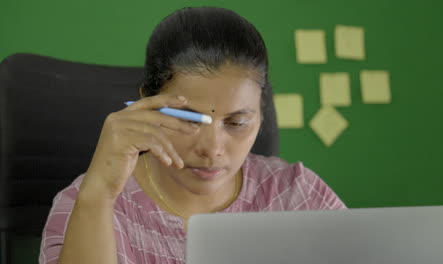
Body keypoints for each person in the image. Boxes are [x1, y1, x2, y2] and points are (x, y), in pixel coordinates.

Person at [39, 6, 346, 264]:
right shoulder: (85, 204)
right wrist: (98, 196)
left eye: (236, 122)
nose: (212, 149)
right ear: (147, 105)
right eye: (188, 120)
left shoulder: (297, 195)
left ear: (262, 114)